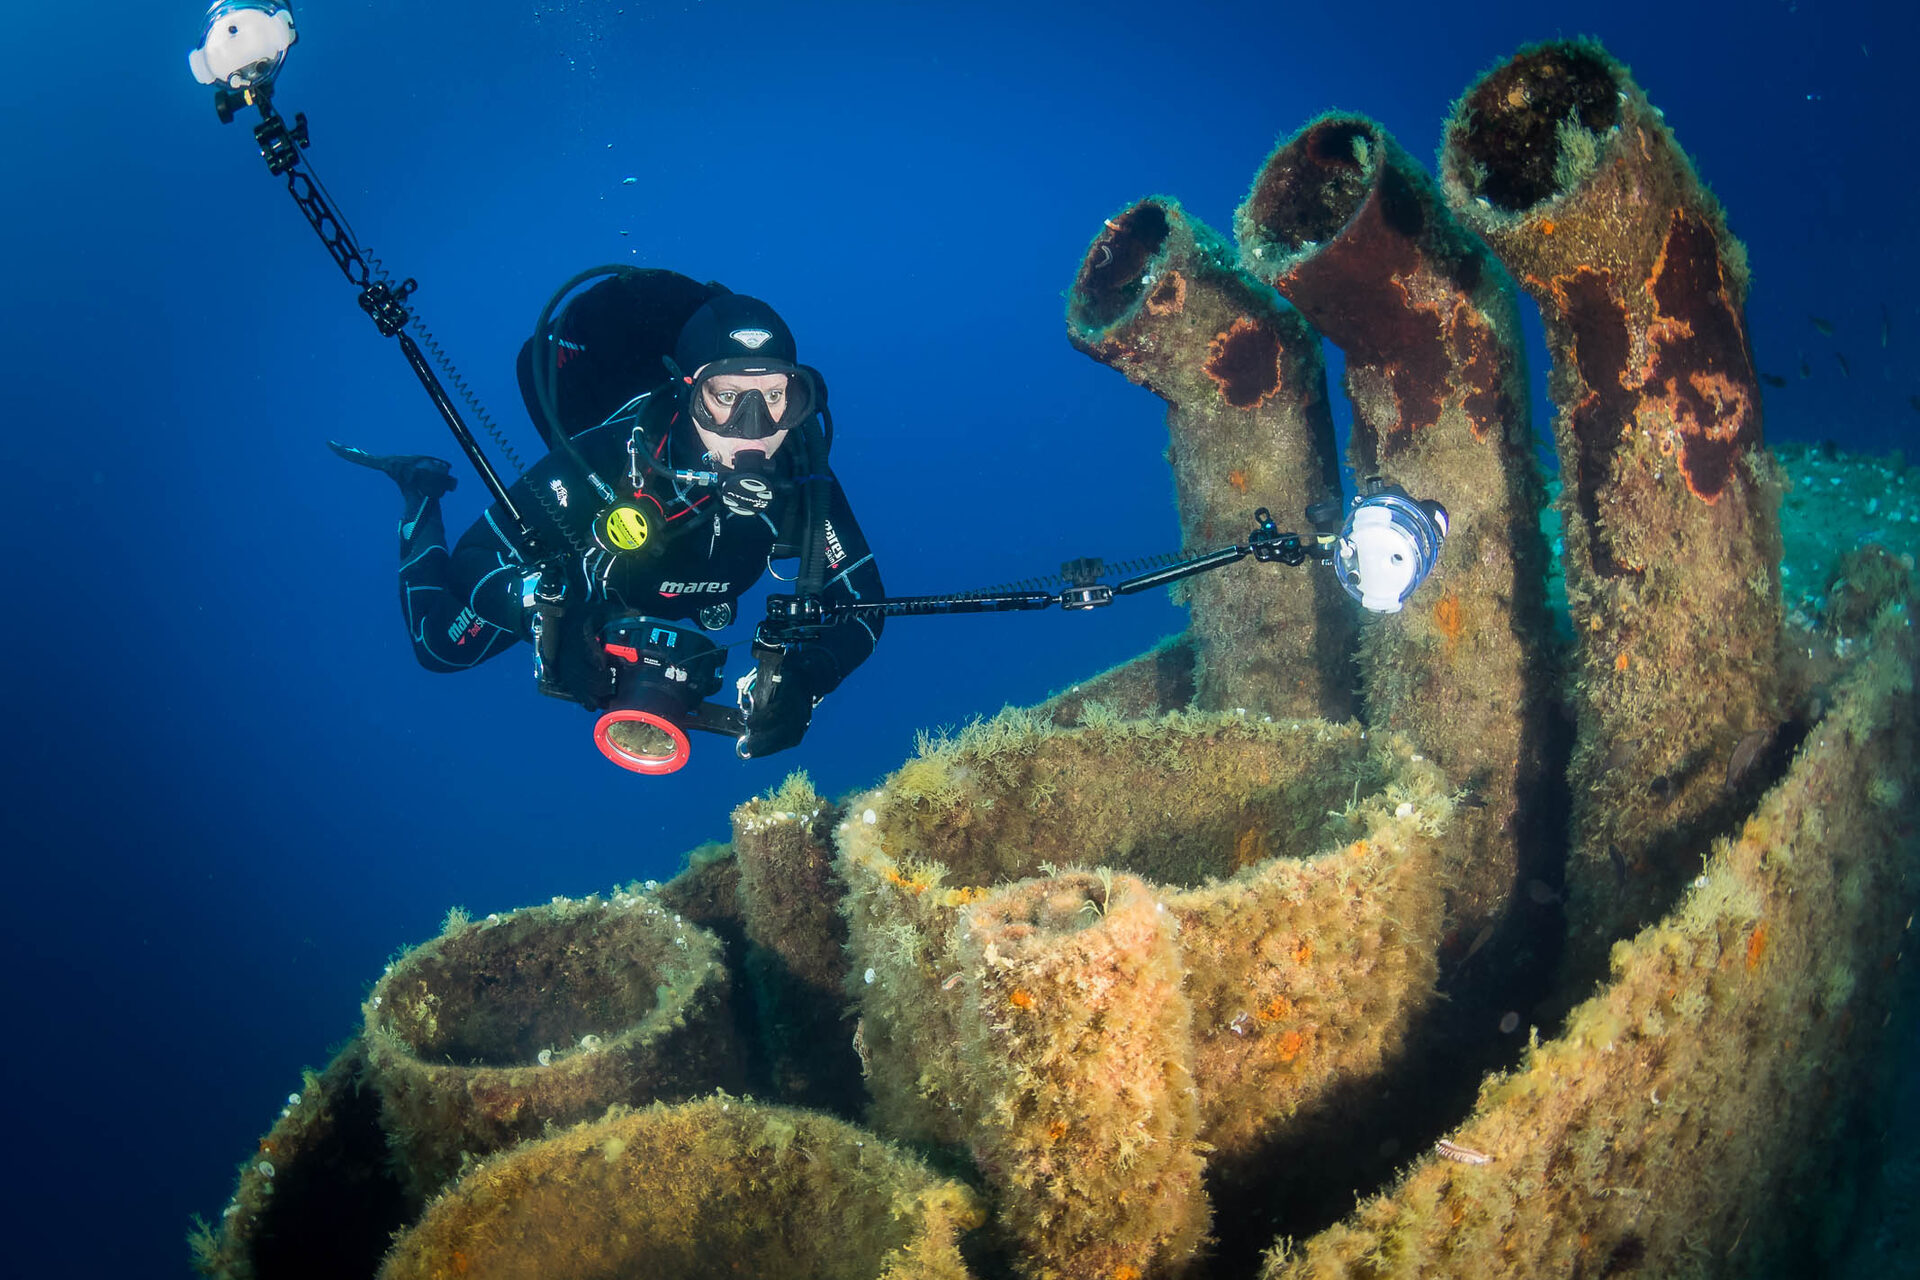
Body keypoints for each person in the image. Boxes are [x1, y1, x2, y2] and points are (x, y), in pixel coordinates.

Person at [331, 268, 884, 770]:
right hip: (589, 575)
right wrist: (552, 623)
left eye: (775, 396)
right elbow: (474, 561)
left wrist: (810, 678)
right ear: (686, 389)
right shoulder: (611, 454)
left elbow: (863, 605)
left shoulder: (803, 479)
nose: (753, 424)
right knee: (440, 646)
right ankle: (418, 490)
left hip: (664, 598)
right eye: (727, 395)